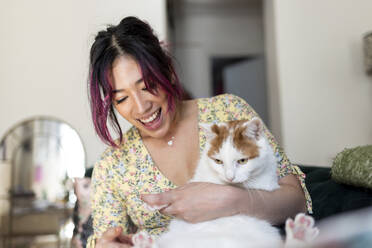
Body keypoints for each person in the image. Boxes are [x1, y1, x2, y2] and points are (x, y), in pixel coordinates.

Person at [86, 16, 312, 248]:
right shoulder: (112, 165)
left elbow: (296, 202)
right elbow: (105, 238)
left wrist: (231, 199)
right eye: (122, 98)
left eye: (147, 86)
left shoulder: (229, 112)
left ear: (168, 72)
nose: (141, 107)